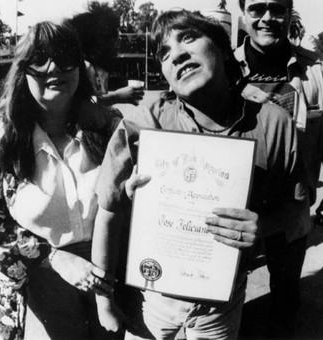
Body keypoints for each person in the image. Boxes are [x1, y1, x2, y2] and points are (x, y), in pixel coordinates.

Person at [91, 9, 304, 339]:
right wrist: (104, 302)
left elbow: (297, 211)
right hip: (151, 298)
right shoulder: (144, 123)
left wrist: (263, 227)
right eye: (164, 52)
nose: (177, 54)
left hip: (222, 303)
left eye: (188, 38)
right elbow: (108, 209)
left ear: (220, 46)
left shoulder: (274, 124)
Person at [0, 21, 127, 340]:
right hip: (47, 278)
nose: (54, 66)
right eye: (40, 58)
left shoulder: (110, 127)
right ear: (23, 70)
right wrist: (51, 256)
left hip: (113, 270)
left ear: (79, 65)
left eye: (65, 55)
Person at [236, 0, 323, 336]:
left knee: (285, 293)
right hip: (236, 204)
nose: (267, 18)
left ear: (289, 12)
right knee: (225, 294)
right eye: (257, 8)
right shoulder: (223, 68)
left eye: (277, 8)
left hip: (291, 208)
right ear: (242, 14)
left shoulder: (315, 72)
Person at [66, 2, 145, 106]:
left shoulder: (95, 67)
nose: (118, 44)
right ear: (99, 41)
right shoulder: (85, 67)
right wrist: (116, 97)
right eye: (113, 39)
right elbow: (84, 106)